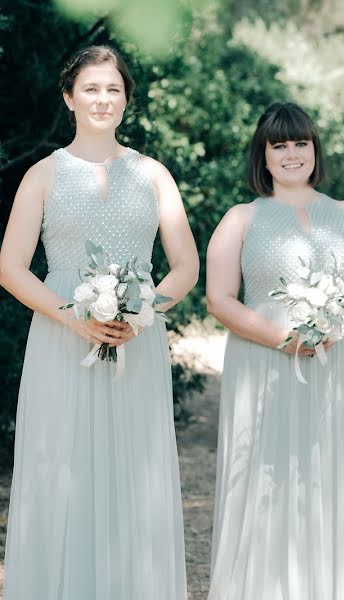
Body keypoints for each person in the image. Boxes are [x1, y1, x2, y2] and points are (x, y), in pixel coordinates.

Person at [0, 45, 197, 599]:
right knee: (60, 464)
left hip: (137, 339)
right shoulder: (43, 175)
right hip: (61, 337)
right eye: (90, 88)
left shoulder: (153, 175)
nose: (102, 99)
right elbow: (10, 267)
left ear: (126, 99)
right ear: (69, 97)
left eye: (113, 89)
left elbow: (185, 265)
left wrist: (144, 313)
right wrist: (74, 318)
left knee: (135, 467)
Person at [205, 101, 344, 599]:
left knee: (335, 473)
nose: (291, 154)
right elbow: (218, 299)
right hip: (263, 363)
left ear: (314, 149)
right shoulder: (241, 218)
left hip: (339, 361)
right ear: (263, 156)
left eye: (300, 143)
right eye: (279, 145)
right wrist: (282, 339)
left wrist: (339, 325)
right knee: (271, 478)